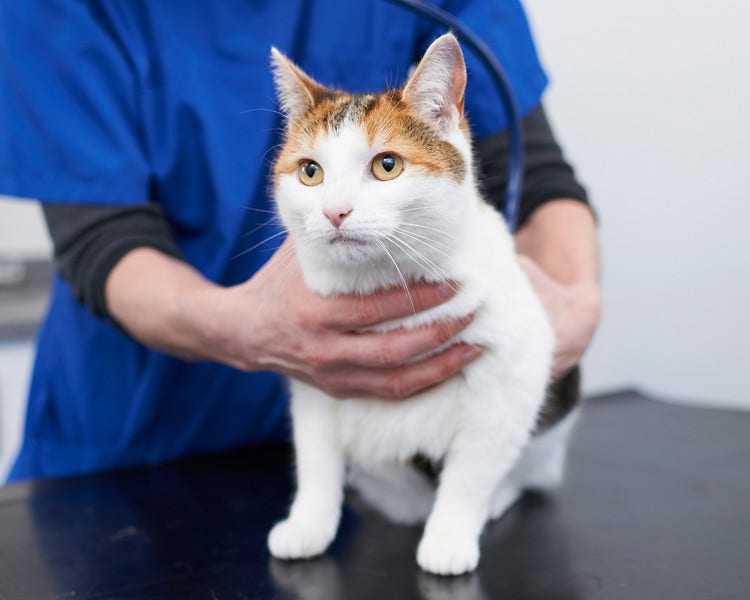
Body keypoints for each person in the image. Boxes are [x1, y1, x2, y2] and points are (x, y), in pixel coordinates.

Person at [0, 0, 600, 482]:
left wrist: (573, 306)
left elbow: (534, 169)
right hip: (134, 440)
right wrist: (240, 328)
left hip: (353, 452)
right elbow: (100, 237)